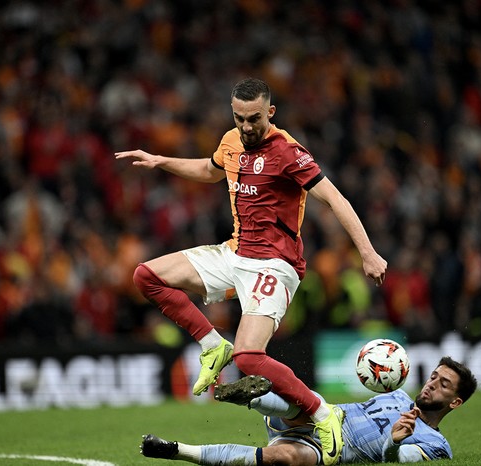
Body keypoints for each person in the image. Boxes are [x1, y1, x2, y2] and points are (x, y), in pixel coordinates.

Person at [115, 77, 388, 465]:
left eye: (254, 119)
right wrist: (162, 162)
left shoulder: (288, 152)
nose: (246, 127)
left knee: (248, 357)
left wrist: (368, 252)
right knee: (146, 275)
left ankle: (321, 413)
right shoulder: (230, 140)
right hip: (235, 253)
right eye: (239, 118)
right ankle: (212, 344)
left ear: (270, 112)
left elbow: (335, 198)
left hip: (276, 264)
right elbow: (210, 171)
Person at [140, 357, 477, 465]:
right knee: (306, 404)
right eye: (434, 376)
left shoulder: (436, 444)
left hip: (333, 450)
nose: (432, 384)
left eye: (444, 385)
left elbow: (396, 459)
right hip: (326, 418)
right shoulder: (400, 395)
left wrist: (393, 440)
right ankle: (252, 397)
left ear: (455, 402)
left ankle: (174, 450)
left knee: (284, 459)